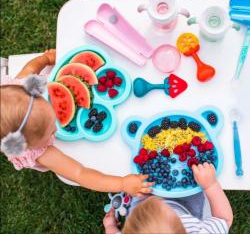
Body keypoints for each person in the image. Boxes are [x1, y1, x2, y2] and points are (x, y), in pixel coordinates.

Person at [0, 50, 154, 196]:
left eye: (54, 118)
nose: (56, 127)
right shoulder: (41, 154)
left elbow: (31, 67)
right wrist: (121, 183)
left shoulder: (22, 87)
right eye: (51, 132)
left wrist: (46, 59)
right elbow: (80, 173)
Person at [103, 163, 233, 234]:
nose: (160, 199)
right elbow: (224, 219)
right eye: (164, 208)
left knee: (139, 185)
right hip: (186, 205)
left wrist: (110, 227)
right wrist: (211, 185)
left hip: (142, 198)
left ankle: (140, 203)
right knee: (194, 186)